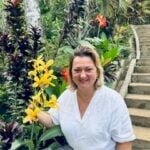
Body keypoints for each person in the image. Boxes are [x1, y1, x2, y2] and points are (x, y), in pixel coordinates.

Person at [37, 46, 135, 150]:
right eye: (77, 70)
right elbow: (52, 121)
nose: (83, 75)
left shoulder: (113, 100)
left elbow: (125, 142)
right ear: (71, 73)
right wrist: (34, 111)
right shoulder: (66, 96)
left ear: (97, 72)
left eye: (88, 69)